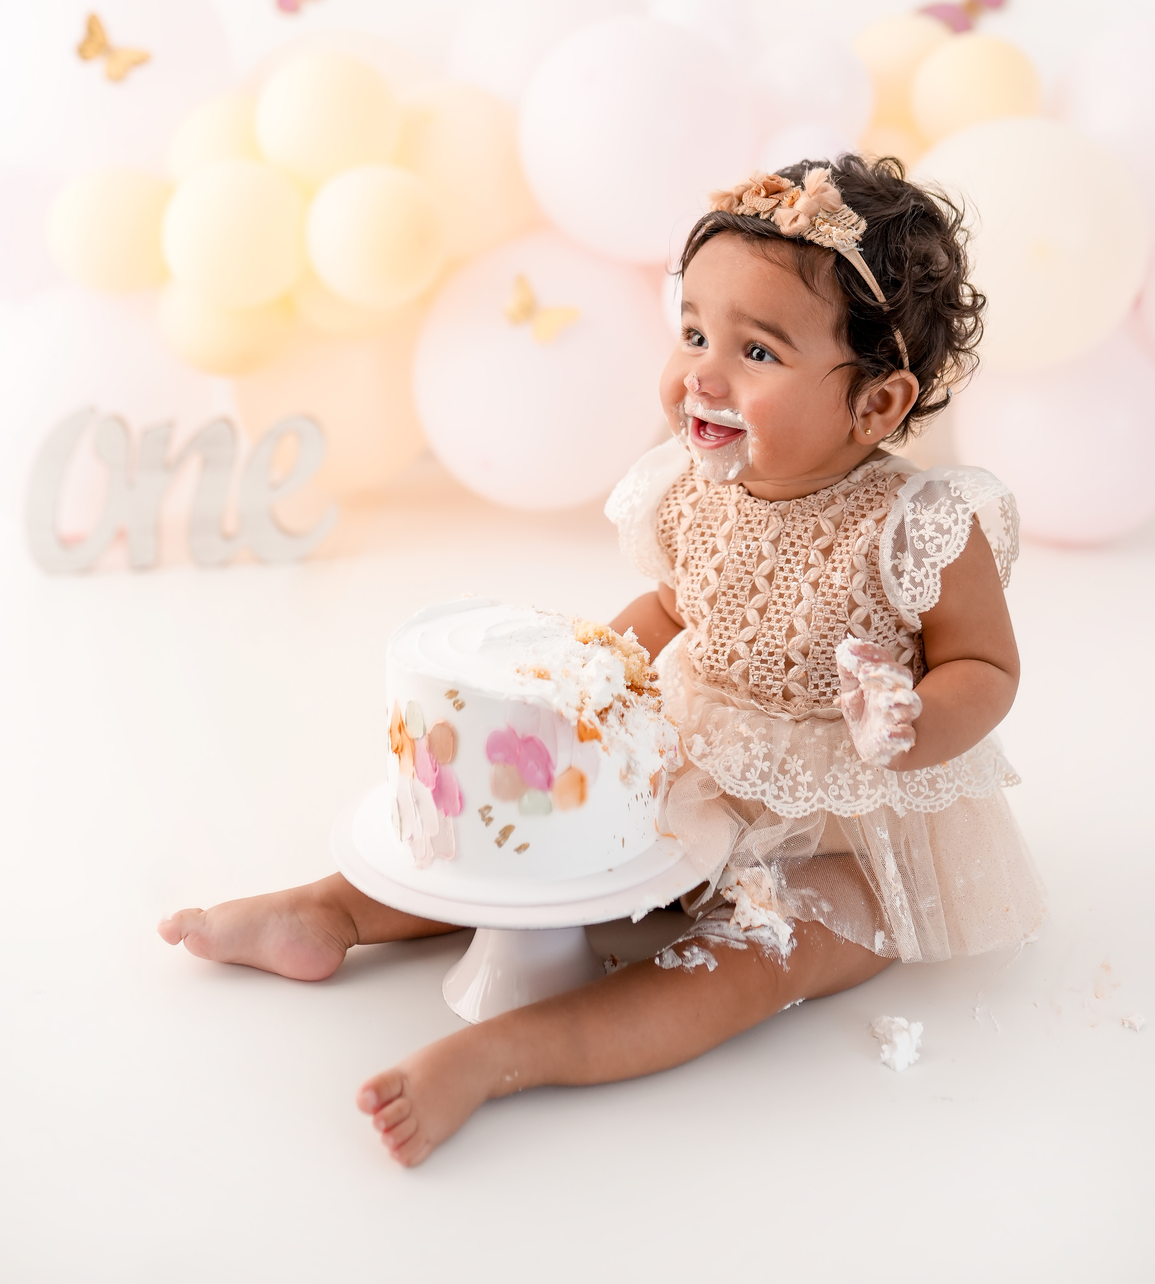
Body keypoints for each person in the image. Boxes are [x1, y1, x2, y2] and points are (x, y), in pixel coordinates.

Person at [159, 155, 1044, 1166]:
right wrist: (597, 673)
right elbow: (673, 606)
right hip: (705, 760)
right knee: (551, 840)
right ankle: (331, 909)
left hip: (850, 832)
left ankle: (507, 1052)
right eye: (694, 332)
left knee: (751, 960)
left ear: (877, 406)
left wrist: (912, 721)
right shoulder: (694, 486)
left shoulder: (918, 525)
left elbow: (986, 669)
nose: (702, 373)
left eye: (756, 350)